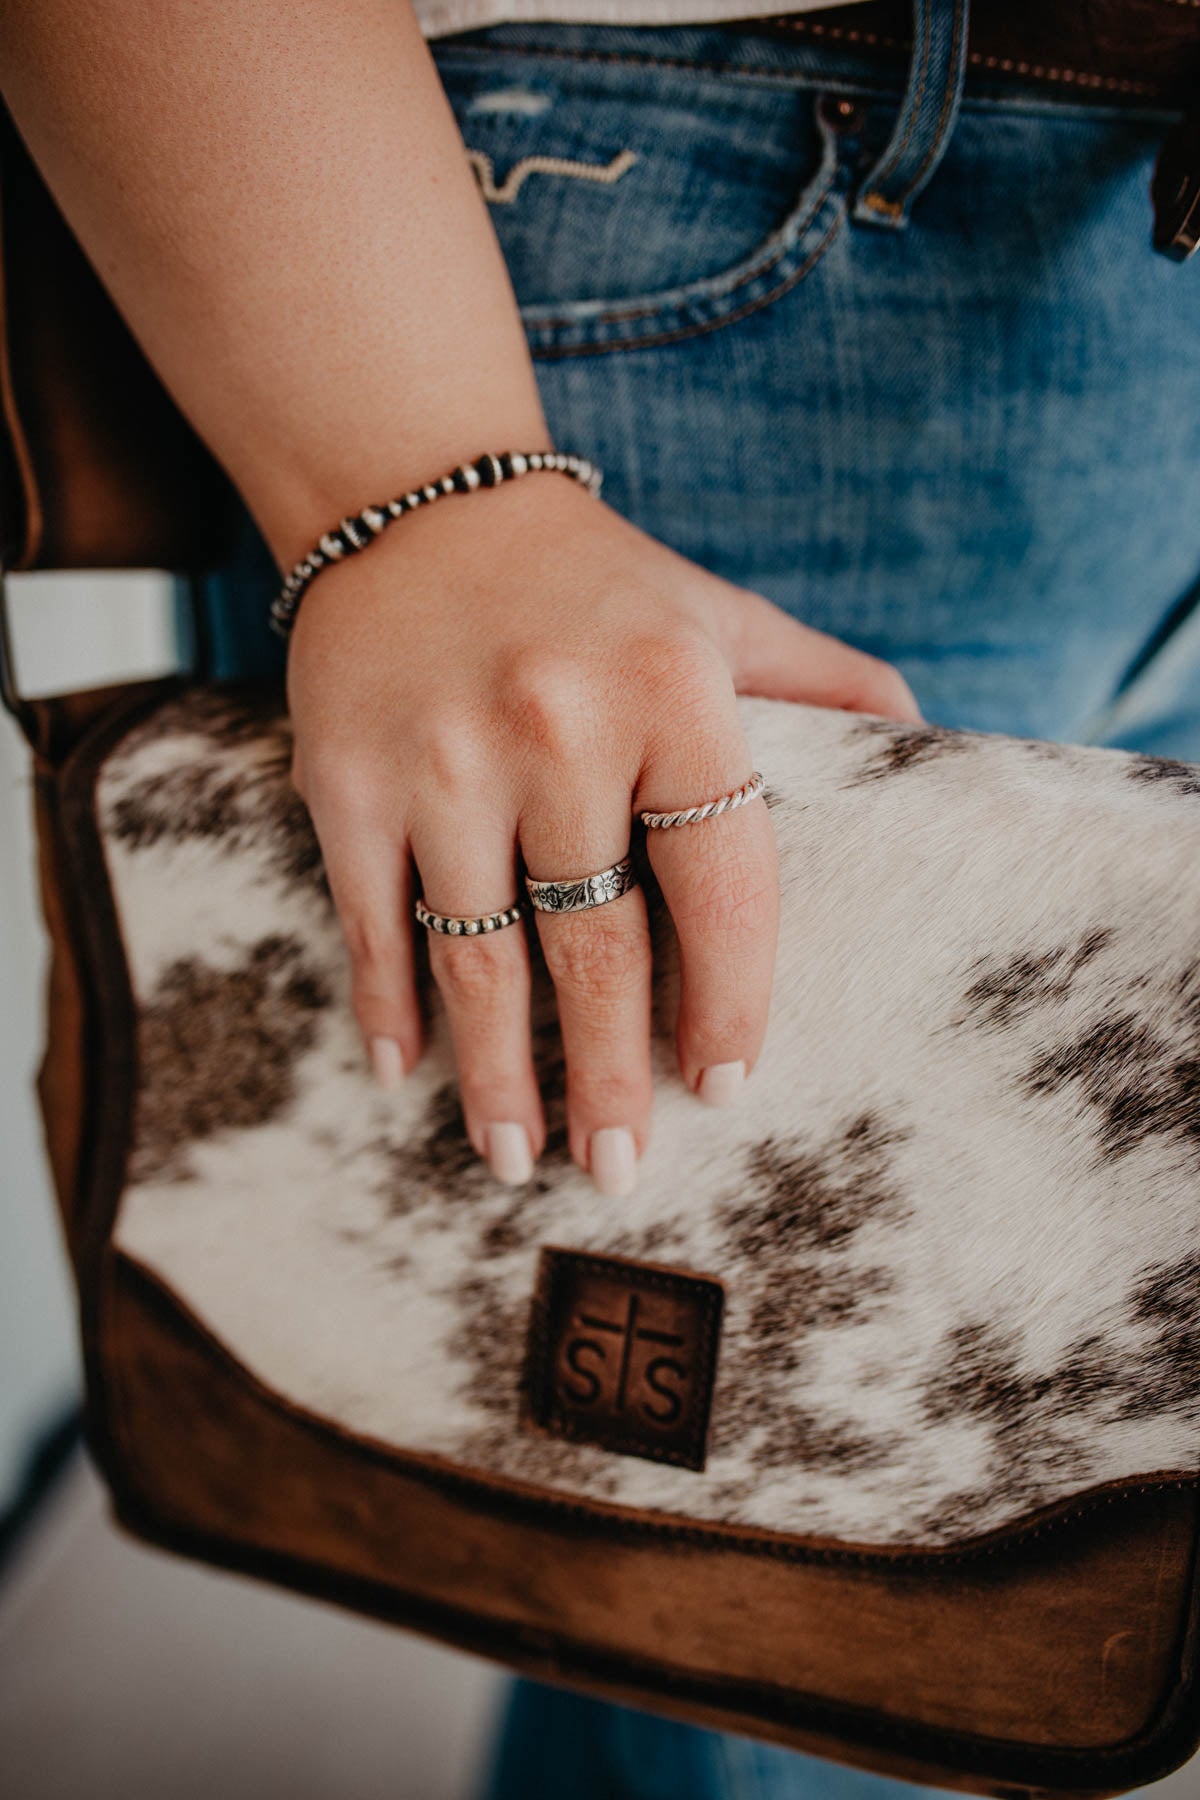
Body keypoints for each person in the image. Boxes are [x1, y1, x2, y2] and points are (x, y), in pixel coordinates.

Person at [2, 0, 1196, 1794]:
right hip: (710, 206)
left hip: (1093, 265)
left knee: (690, 1571)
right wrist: (418, 486)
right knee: (785, 1608)